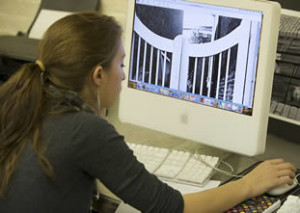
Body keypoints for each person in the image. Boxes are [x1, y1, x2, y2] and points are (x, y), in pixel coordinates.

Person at [0, 12, 296, 213]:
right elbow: (169, 207)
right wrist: (248, 184)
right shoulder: (85, 130)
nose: (125, 75)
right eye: (121, 64)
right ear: (98, 75)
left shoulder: (21, 101)